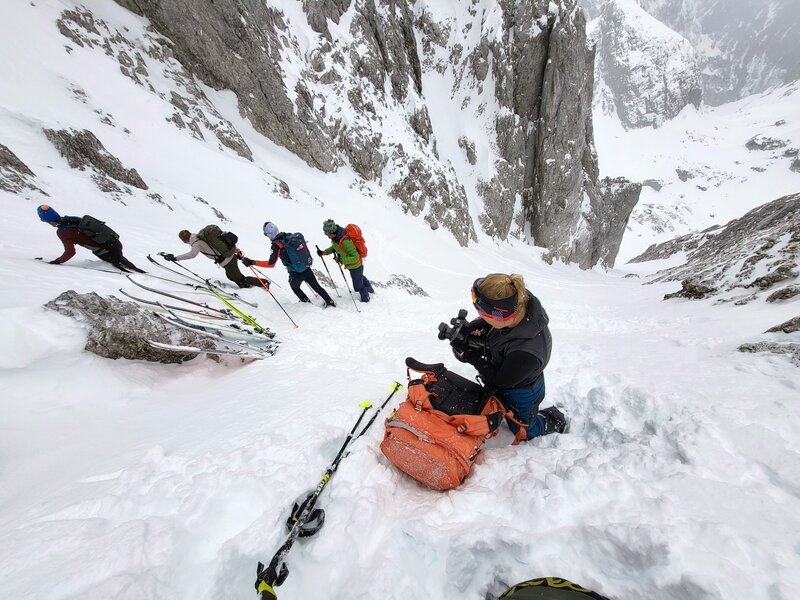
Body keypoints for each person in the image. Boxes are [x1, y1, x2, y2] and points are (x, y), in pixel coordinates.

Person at [452, 273, 566, 439]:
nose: (480, 316)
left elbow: (501, 381)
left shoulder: (527, 352)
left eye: (483, 314)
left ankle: (555, 419)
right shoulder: (517, 301)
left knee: (522, 430)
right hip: (512, 370)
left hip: (522, 391)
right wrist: (474, 328)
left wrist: (471, 355)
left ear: (499, 316)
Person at [241, 222, 336, 307]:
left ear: (269, 235)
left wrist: (252, 262)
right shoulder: (287, 236)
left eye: (266, 234)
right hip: (306, 267)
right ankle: (330, 301)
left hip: (295, 273)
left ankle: (307, 304)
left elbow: (271, 264)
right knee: (317, 287)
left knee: (294, 287)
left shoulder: (276, 245)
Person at [36, 204, 144, 272]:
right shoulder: (71, 219)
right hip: (114, 242)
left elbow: (70, 252)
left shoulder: (63, 232)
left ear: (47, 221)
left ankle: (130, 271)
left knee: (118, 262)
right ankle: (133, 269)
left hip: (107, 251)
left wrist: (57, 261)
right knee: (120, 259)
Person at [161, 228, 261, 288]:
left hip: (228, 260)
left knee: (240, 279)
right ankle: (248, 286)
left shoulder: (196, 243)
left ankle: (262, 283)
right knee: (231, 276)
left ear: (184, 240)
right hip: (228, 258)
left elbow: (192, 254)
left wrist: (176, 258)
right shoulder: (198, 236)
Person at [316, 219, 374, 303]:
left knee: (358, 285)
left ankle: (366, 299)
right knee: (360, 277)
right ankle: (370, 290)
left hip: (356, 265)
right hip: (351, 265)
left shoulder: (345, 241)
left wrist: (341, 260)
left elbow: (356, 257)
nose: (326, 235)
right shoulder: (336, 238)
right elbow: (336, 247)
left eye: (326, 233)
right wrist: (325, 252)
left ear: (331, 232)